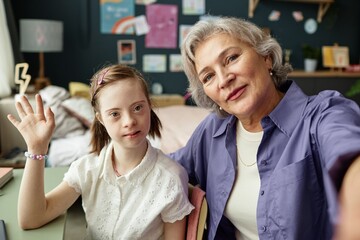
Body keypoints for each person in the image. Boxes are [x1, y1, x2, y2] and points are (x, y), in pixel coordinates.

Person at [169, 16, 360, 240]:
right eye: (208, 76)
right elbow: (163, 169)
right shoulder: (212, 130)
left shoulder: (323, 113)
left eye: (231, 58)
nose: (223, 80)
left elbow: (351, 159)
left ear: (266, 57)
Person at [7, 64, 194, 239]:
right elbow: (32, 219)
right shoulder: (87, 168)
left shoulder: (171, 179)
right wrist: (36, 149)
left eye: (138, 108)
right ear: (101, 119)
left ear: (149, 106)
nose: (129, 121)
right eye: (114, 114)